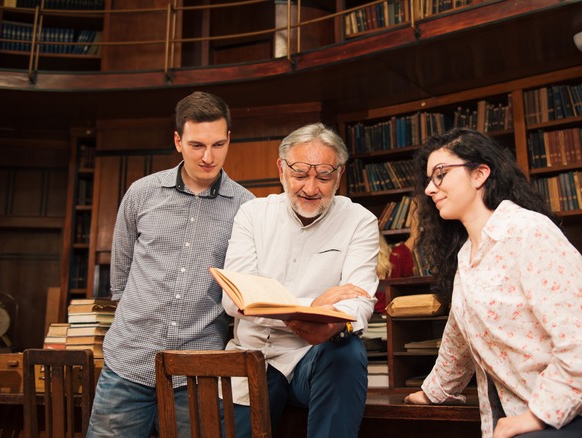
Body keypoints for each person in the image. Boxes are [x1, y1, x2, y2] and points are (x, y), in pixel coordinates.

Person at [403, 128, 582, 438]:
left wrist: (539, 415)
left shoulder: (529, 232)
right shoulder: (466, 258)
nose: (430, 189)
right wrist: (433, 392)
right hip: (528, 414)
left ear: (479, 175)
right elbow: (459, 341)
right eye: (427, 180)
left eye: (440, 175)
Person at [87, 91, 255, 437]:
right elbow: (120, 278)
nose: (209, 157)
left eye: (218, 145)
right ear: (178, 141)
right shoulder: (141, 193)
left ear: (228, 140)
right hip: (128, 365)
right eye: (197, 146)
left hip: (198, 371)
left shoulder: (247, 207)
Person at [222, 122, 379, 438]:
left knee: (347, 350)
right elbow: (235, 299)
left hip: (313, 356)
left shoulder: (360, 221)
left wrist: (334, 322)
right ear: (281, 169)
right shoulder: (252, 215)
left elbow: (358, 299)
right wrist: (313, 306)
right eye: (300, 174)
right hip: (254, 357)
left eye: (323, 176)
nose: (310, 188)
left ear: (339, 175)